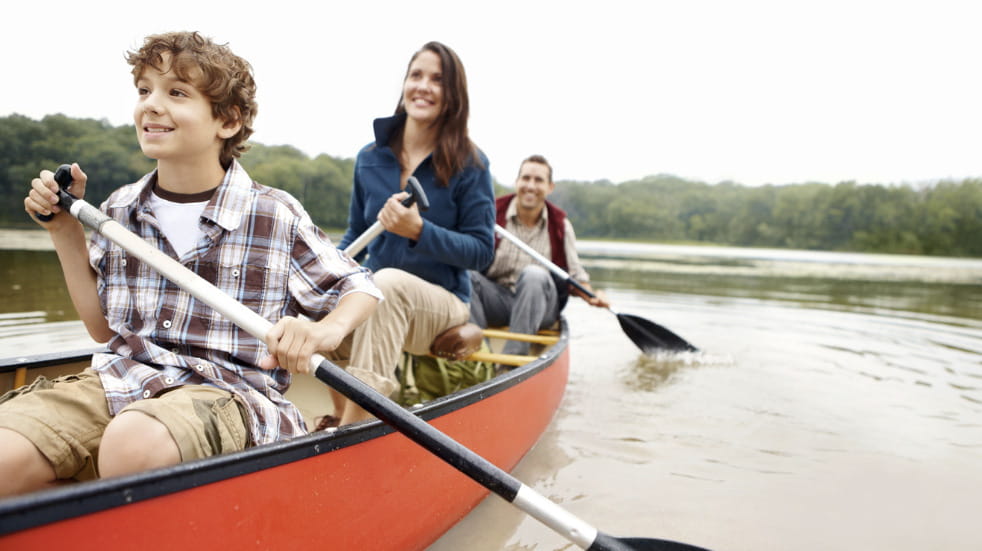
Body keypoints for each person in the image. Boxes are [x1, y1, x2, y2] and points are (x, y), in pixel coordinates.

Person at [1, 31, 381, 497]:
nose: (152, 104)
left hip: (228, 390)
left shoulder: (272, 212)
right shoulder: (118, 209)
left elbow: (359, 285)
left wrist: (324, 332)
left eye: (176, 92)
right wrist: (65, 231)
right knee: (5, 454)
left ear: (227, 120)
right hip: (123, 376)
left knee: (131, 445)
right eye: (144, 90)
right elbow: (103, 331)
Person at [331, 41, 495, 426]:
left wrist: (420, 231)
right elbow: (356, 231)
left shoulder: (471, 164)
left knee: (383, 285)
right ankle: (337, 419)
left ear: (453, 95)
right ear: (404, 84)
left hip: (442, 305)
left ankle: (355, 425)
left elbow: (481, 251)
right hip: (380, 292)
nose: (423, 86)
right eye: (416, 75)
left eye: (437, 80)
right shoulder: (369, 157)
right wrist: (324, 272)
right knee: (329, 298)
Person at [469, 154, 609, 356]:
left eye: (538, 180)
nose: (531, 186)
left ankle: (509, 364)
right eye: (525, 178)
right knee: (465, 276)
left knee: (535, 275)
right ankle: (480, 357)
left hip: (540, 307)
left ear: (550, 187)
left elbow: (576, 277)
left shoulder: (561, 226)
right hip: (498, 301)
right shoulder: (490, 215)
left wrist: (592, 297)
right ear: (517, 182)